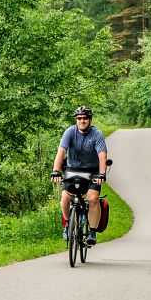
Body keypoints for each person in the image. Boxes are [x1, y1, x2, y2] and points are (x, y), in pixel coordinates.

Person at [50, 105, 108, 245]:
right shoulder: (69, 132)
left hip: (92, 172)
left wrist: (101, 174)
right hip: (72, 170)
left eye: (85, 118)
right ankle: (67, 226)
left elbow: (102, 155)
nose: (82, 121)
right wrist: (56, 170)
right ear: (76, 120)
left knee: (93, 198)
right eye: (79, 119)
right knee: (65, 197)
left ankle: (92, 232)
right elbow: (61, 152)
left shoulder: (97, 134)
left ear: (90, 120)